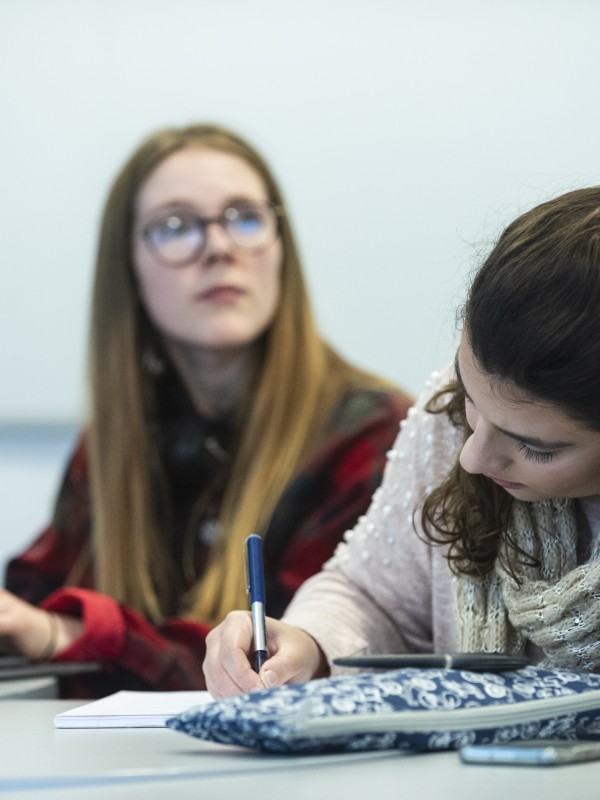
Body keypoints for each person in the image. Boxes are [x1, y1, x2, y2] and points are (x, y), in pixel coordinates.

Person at [0, 123, 412, 697]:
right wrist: (26, 624)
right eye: (176, 226)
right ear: (130, 270)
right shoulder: (116, 442)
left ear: (280, 250)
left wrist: (60, 632)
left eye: (244, 217)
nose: (219, 248)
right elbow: (26, 601)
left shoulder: (374, 435)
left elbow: (283, 662)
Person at [203, 186, 600, 699]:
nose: (472, 457)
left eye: (537, 447)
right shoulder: (445, 416)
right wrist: (309, 646)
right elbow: (369, 594)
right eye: (470, 395)